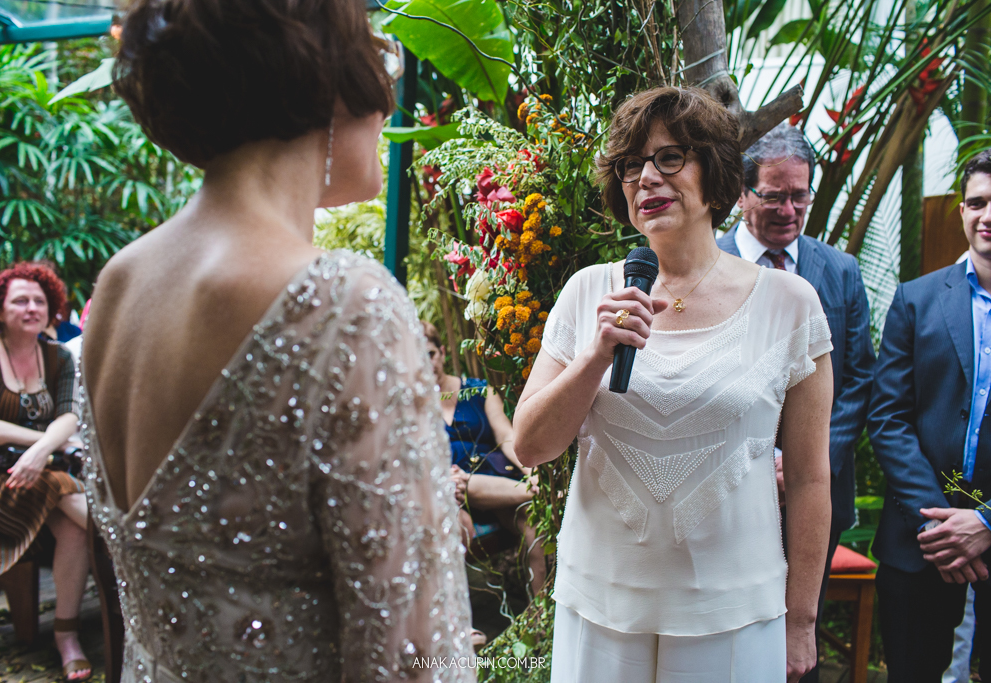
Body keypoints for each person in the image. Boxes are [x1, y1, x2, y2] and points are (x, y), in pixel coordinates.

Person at [79, 0, 474, 680]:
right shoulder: (345, 304)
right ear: (328, 82)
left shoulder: (120, 282)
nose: (387, 93)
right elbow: (413, 658)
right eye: (376, 55)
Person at [513, 87, 834, 683]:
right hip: (601, 606)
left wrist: (801, 620)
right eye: (631, 165)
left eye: (669, 158)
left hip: (734, 615)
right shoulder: (589, 291)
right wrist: (595, 356)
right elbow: (530, 445)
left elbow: (811, 477)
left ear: (714, 174)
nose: (646, 178)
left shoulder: (790, 304)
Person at [718, 123, 876, 683]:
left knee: (796, 652)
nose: (789, 210)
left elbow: (859, 379)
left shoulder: (841, 270)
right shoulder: (705, 263)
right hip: (727, 490)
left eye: (800, 195)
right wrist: (763, 459)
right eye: (774, 196)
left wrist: (808, 459)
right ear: (742, 194)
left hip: (815, 494)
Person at [868, 148, 991, 681]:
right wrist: (941, 524)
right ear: (962, 211)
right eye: (977, 203)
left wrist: (985, 522)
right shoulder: (915, 300)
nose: (987, 215)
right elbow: (888, 417)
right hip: (919, 542)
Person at [0, 263, 90, 682]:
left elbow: (69, 416)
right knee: (67, 490)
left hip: (45, 467)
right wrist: (47, 444)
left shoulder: (59, 355)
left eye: (40, 301)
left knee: (72, 526)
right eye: (20, 300)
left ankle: (66, 634)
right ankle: (126, 543)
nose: (32, 308)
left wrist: (39, 451)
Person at [420, 321, 546, 593]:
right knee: (459, 481)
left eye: (429, 354)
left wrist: (531, 471)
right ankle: (541, 493)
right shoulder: (413, 407)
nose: (426, 363)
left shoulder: (479, 390)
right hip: (456, 493)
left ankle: (540, 608)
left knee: (533, 524)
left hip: (500, 485)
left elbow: (507, 437)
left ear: (442, 352)